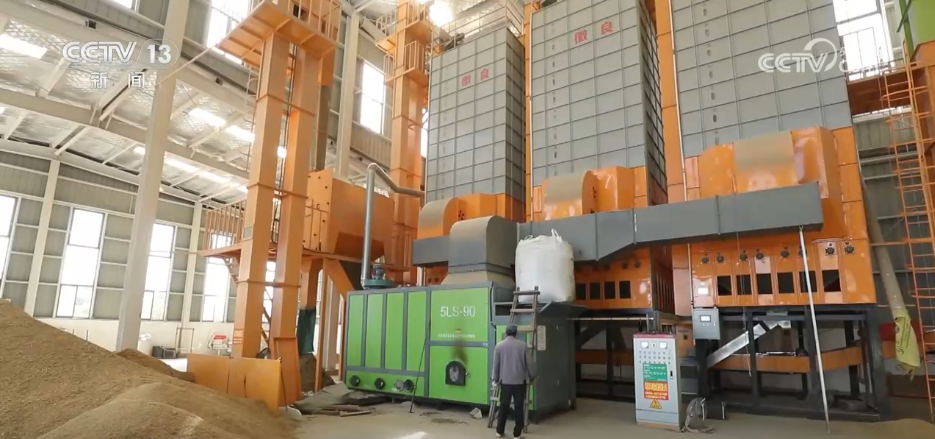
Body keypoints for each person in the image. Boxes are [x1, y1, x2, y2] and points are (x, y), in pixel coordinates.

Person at [492, 324, 533, 439]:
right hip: (519, 382)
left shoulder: (499, 346)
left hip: (505, 382)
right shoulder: (523, 346)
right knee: (519, 407)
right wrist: (532, 376)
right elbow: (529, 364)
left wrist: (495, 379)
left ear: (506, 333)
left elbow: (496, 365)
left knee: (504, 406)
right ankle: (517, 434)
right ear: (516, 333)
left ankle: (499, 431)